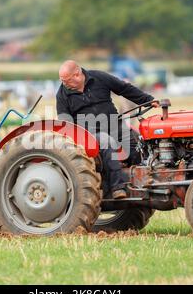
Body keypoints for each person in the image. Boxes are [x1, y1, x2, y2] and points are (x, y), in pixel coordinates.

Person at [55, 60, 157, 199]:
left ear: (77, 74)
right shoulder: (62, 94)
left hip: (114, 125)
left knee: (138, 141)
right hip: (88, 134)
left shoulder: (99, 77)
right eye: (62, 81)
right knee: (107, 141)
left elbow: (124, 88)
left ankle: (142, 178)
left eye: (67, 80)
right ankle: (117, 187)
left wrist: (148, 100)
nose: (64, 84)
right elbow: (66, 122)